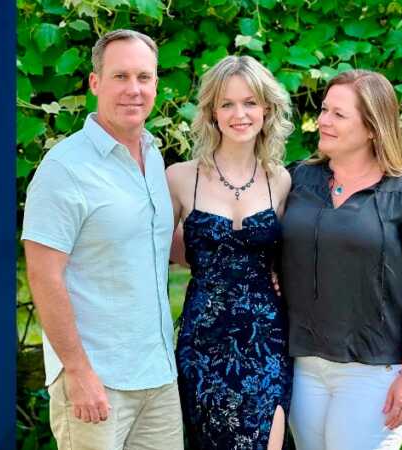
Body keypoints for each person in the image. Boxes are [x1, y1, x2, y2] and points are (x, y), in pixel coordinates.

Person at [21, 30, 183, 450]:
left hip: (158, 377)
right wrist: (77, 371)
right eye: (120, 76)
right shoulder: (64, 168)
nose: (134, 89)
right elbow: (43, 276)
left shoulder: (153, 156)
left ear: (155, 85)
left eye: (144, 77)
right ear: (95, 83)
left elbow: (156, 248)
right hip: (97, 380)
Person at [280, 70, 402, 450]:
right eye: (324, 110)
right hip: (306, 363)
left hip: (377, 370)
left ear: (373, 126)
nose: (323, 120)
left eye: (338, 115)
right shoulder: (298, 181)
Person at [165, 55, 294, 450]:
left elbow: (284, 259)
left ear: (267, 109)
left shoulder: (281, 181)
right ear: (212, 113)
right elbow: (159, 259)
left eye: (250, 102)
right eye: (228, 104)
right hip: (203, 342)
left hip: (267, 339)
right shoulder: (179, 178)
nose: (240, 114)